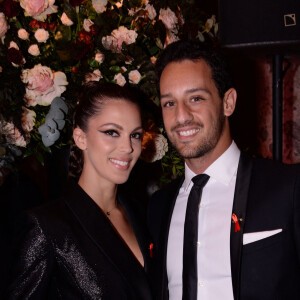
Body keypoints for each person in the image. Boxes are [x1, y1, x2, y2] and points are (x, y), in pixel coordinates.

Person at [147, 39, 300, 300]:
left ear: (228, 102)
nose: (181, 117)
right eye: (169, 103)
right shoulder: (157, 208)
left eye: (195, 98)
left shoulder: (288, 188)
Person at [6, 82, 153, 299]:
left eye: (135, 135)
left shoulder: (144, 213)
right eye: (112, 132)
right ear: (80, 138)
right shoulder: (47, 227)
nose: (128, 147)